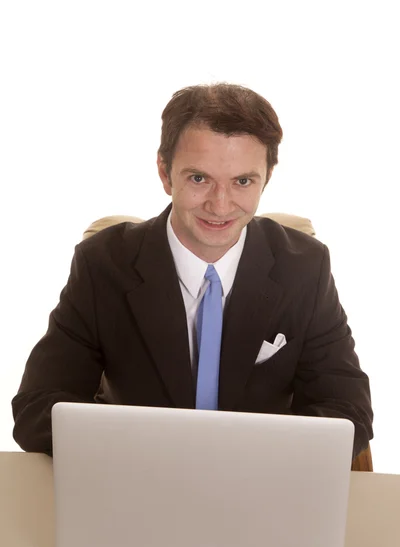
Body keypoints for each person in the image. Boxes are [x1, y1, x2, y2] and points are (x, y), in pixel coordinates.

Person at [12, 83, 373, 458]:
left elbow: (349, 412)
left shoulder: (306, 268)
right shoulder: (102, 265)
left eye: (242, 181)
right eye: (199, 178)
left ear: (267, 177)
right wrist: (141, 453)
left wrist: (261, 462)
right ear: (165, 173)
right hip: (135, 481)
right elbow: (37, 409)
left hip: (258, 488)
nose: (220, 206)